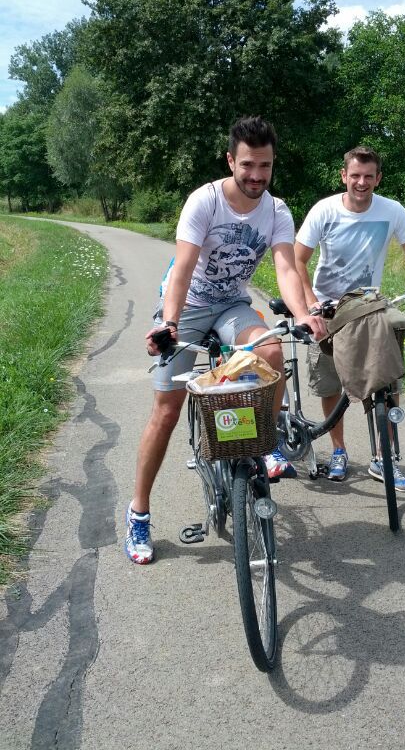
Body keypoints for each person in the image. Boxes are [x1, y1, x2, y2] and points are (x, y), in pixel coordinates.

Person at [126, 116, 326, 564]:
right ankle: (138, 513)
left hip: (233, 304)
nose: (257, 176)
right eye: (249, 165)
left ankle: (266, 441)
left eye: (266, 167)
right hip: (191, 305)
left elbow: (287, 268)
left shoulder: (276, 211)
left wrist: (304, 314)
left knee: (270, 349)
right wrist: (170, 324)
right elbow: (182, 268)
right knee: (166, 410)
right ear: (231, 160)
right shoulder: (205, 202)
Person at [294, 145, 405, 489]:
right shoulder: (324, 211)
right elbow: (297, 260)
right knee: (330, 381)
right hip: (328, 309)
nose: (361, 182)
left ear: (378, 178)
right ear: (344, 176)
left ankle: (385, 457)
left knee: (385, 380)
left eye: (368, 177)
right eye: (354, 175)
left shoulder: (392, 211)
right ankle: (339, 450)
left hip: (369, 306)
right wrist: (311, 304)